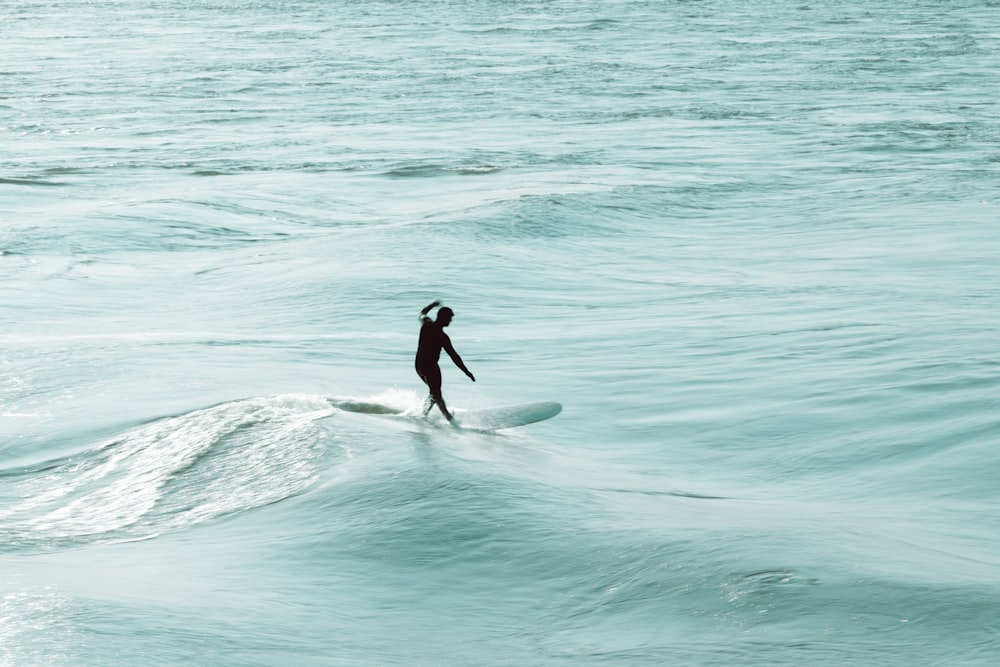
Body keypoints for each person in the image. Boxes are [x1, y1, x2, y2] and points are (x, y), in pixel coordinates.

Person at [415, 301, 475, 422]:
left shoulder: (426, 324)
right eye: (450, 318)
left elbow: (422, 313)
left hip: (419, 365)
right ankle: (449, 418)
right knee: (436, 392)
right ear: (443, 317)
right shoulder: (442, 336)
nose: (451, 321)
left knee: (434, 392)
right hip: (430, 366)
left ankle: (422, 415)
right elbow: (454, 356)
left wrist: (433, 304)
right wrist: (466, 372)